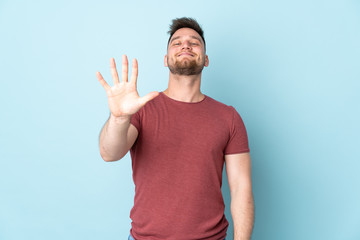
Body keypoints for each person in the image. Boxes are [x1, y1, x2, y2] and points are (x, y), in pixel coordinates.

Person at [96, 17, 254, 240]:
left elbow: (241, 189)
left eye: (194, 42)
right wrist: (119, 117)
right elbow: (109, 153)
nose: (186, 45)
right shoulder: (142, 109)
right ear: (165, 59)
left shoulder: (229, 117)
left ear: (206, 59)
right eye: (177, 42)